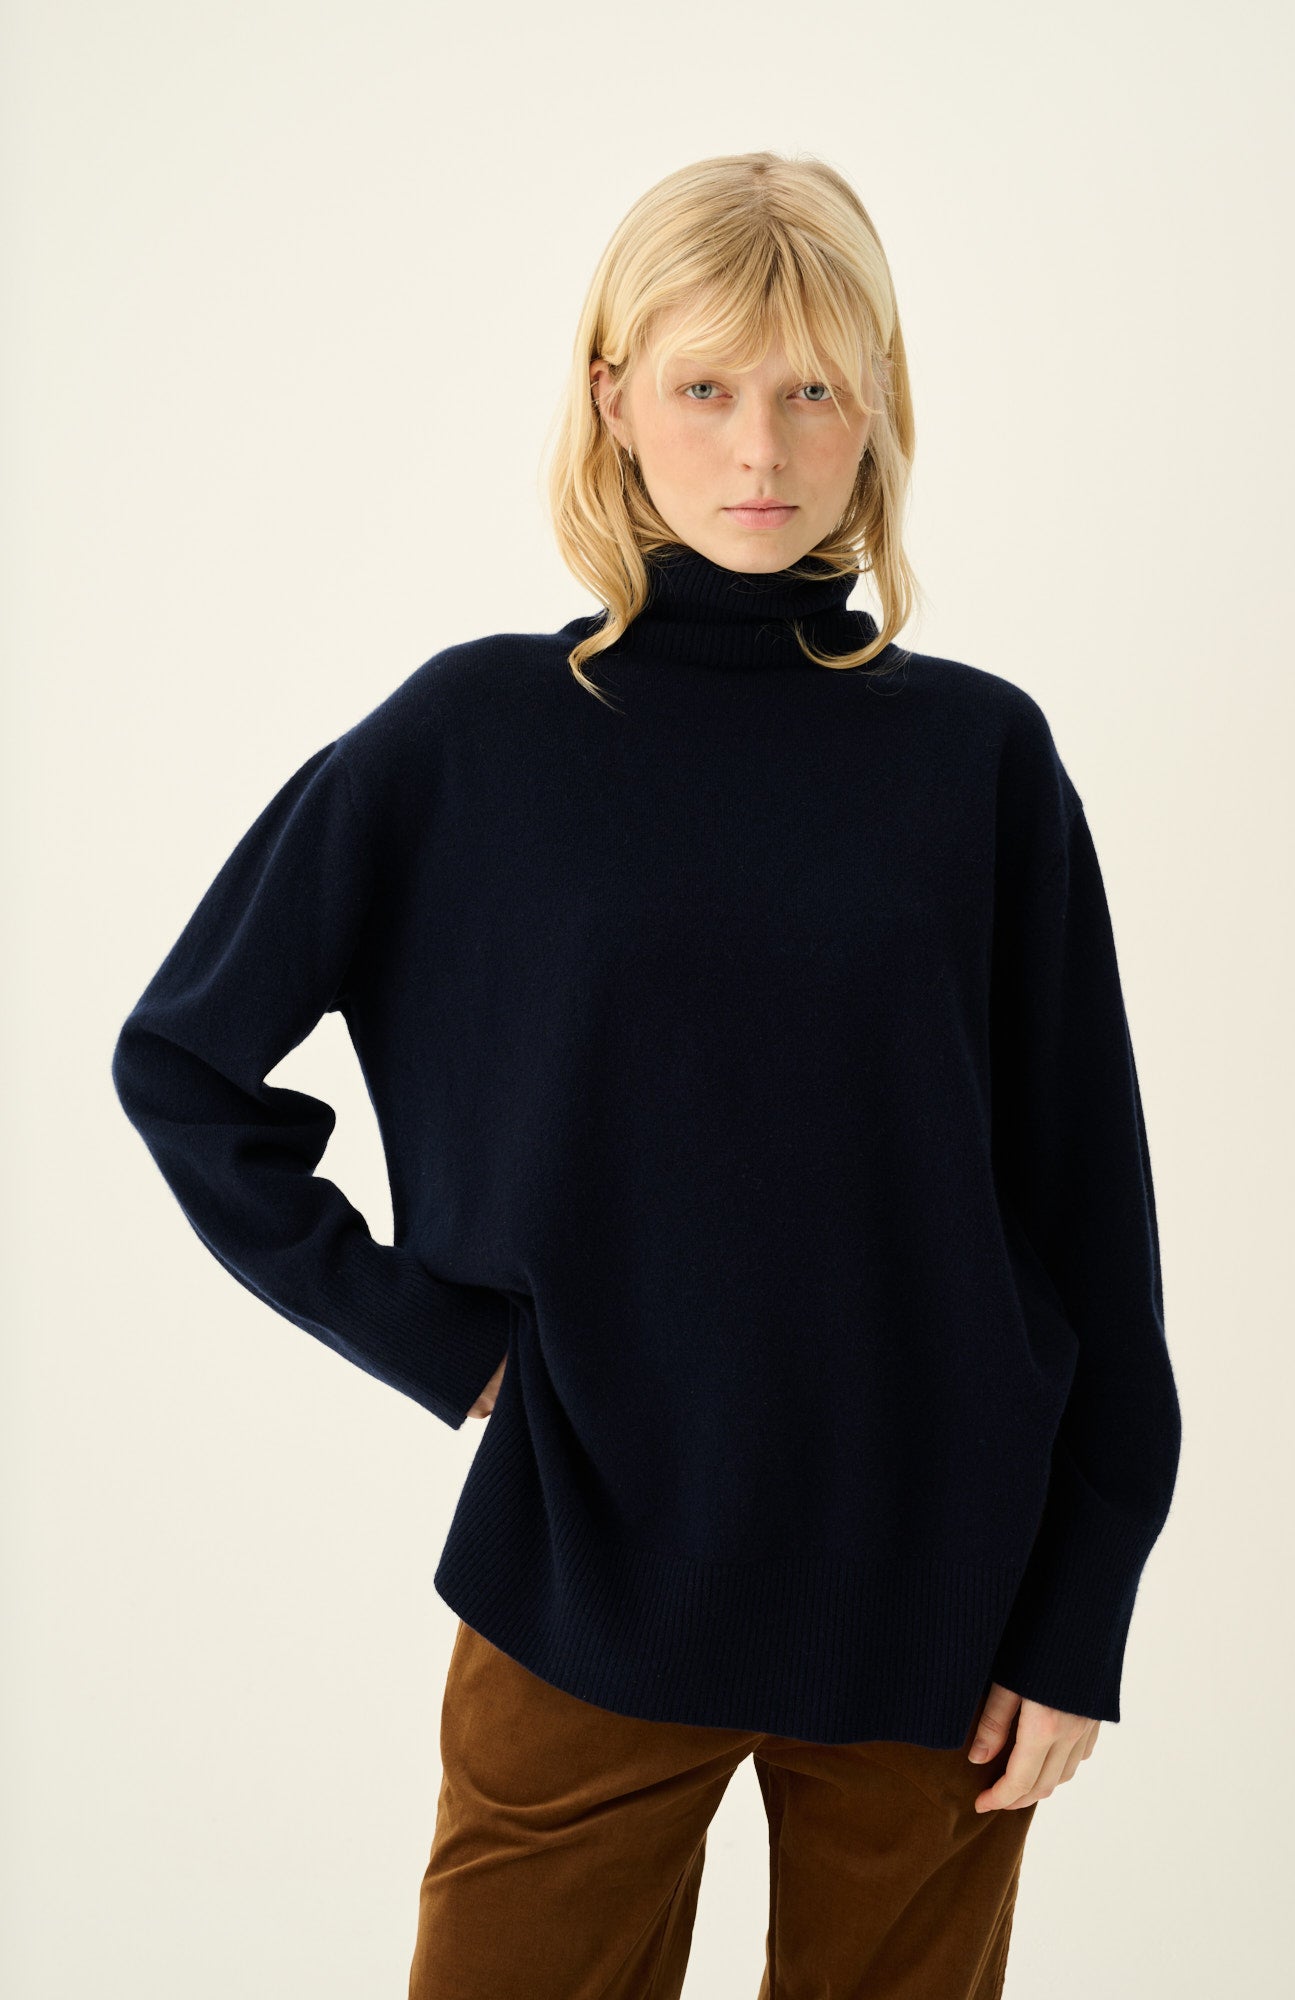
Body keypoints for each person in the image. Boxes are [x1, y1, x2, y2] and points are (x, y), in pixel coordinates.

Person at [110, 149, 1183, 1998]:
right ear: (612, 398)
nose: (759, 449)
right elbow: (185, 1060)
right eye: (704, 387)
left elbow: (1093, 1214)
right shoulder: (475, 736)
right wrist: (441, 1343)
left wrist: (1080, 1608)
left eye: (811, 390)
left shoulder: (978, 760)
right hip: (586, 1566)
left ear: (878, 403)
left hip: (940, 1587)